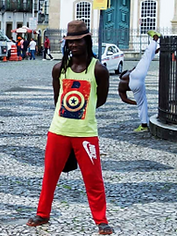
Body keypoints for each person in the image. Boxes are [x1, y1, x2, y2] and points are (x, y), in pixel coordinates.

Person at [27, 20, 113, 235]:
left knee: (93, 178)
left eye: (77, 41)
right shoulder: (59, 69)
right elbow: (58, 99)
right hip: (58, 131)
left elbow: (99, 100)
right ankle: (42, 213)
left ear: (87, 41)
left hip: (85, 133)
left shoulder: (98, 70)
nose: (73, 45)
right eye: (69, 42)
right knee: (50, 175)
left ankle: (101, 220)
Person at [128, 31, 161, 132]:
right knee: (146, 58)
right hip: (136, 80)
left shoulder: (127, 79)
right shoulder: (130, 76)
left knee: (146, 58)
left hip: (136, 81)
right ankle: (155, 39)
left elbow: (123, 97)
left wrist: (134, 102)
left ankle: (144, 123)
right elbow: (123, 98)